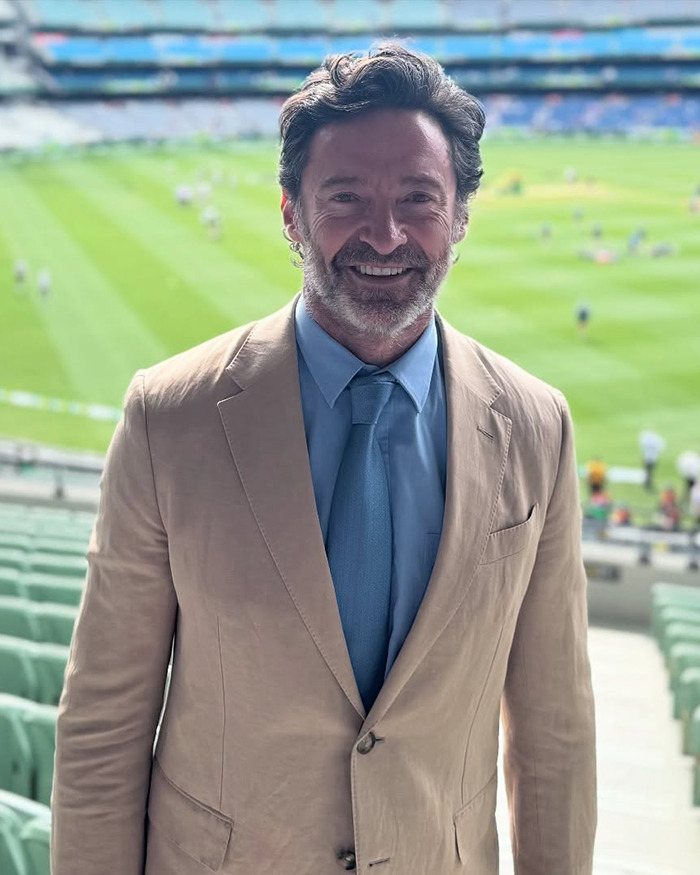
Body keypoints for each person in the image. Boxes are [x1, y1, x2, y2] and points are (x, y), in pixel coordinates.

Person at [51, 44, 596, 875]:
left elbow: (554, 733)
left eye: (420, 198)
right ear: (291, 213)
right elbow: (102, 726)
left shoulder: (536, 427)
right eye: (346, 197)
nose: (386, 233)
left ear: (460, 215)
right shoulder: (170, 418)